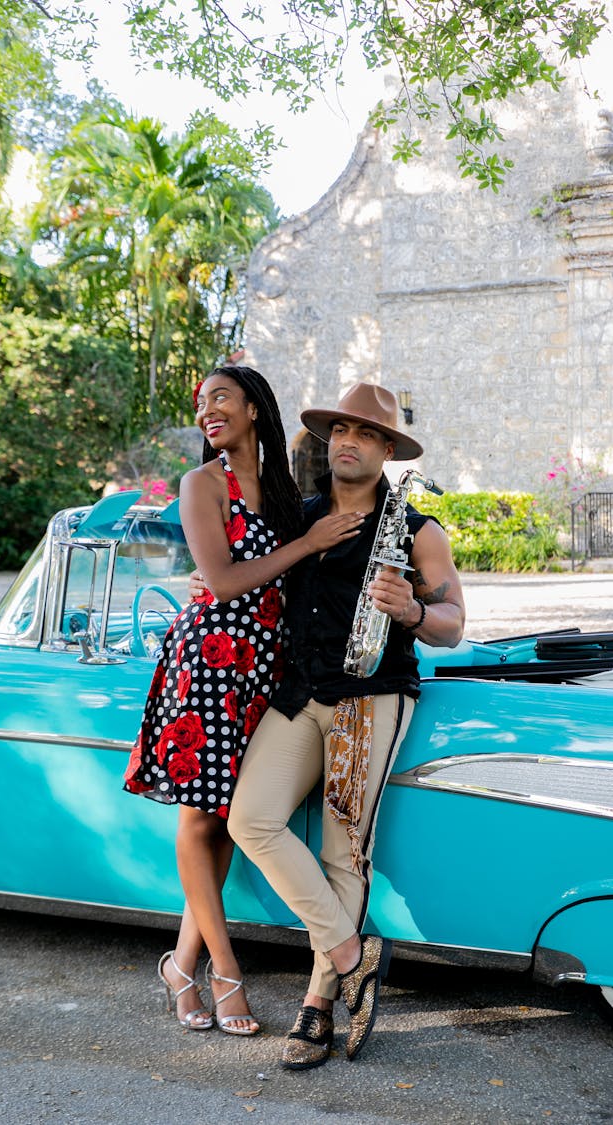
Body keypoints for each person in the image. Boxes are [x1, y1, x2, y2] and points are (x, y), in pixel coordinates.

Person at [227, 381, 465, 1068]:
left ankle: (318, 1004)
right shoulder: (298, 517)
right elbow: (248, 577)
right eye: (338, 431)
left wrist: (414, 611)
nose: (347, 442)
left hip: (371, 695)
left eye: (363, 433)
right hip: (302, 693)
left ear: (388, 450)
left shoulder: (419, 530)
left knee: (343, 851)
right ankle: (352, 953)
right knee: (252, 818)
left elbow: (454, 622)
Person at [123, 364, 364, 1037]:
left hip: (263, 670)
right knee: (202, 817)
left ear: (256, 408)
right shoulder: (201, 483)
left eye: (221, 398)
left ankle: (180, 964)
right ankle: (223, 971)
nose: (208, 410)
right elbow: (224, 582)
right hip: (207, 662)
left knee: (225, 814)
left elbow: (306, 574)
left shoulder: (288, 493)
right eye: (201, 403)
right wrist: (303, 546)